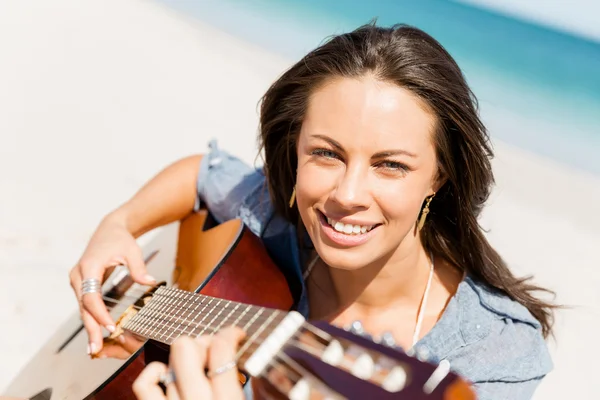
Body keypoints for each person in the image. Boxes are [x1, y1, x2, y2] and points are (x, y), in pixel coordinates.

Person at [69, 22, 555, 399]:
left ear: (440, 176)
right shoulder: (277, 222)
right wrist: (117, 225)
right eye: (326, 153)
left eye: (390, 165)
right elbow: (202, 172)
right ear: (294, 147)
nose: (347, 194)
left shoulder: (491, 351)